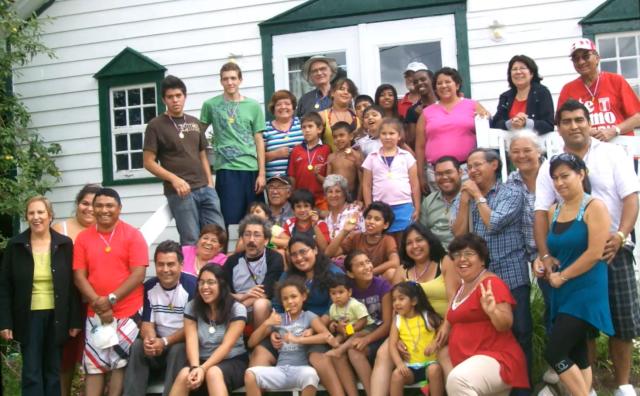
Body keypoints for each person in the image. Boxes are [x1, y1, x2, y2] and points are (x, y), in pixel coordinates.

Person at [534, 100, 640, 396]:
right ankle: (587, 388)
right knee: (582, 330)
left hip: (612, 250)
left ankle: (622, 385)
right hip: (570, 256)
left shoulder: (612, 154)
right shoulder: (550, 166)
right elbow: (541, 212)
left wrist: (620, 234)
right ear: (559, 128)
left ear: (589, 122)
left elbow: (631, 198)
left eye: (579, 119)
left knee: (623, 323)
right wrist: (544, 254)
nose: (574, 125)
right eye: (566, 121)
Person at [451, 148, 532, 389]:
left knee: (520, 333)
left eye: (478, 165)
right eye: (469, 167)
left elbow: (494, 223)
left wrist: (477, 197)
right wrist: (465, 201)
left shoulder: (511, 192)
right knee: (492, 335)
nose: (472, 171)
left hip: (510, 273)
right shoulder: (464, 196)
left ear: (494, 164)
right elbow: (458, 235)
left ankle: (523, 390)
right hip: (479, 279)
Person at [533, 154, 613, 396]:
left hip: (585, 292)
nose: (559, 183)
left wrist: (563, 276)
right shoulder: (553, 210)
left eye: (565, 176)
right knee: (578, 354)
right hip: (561, 291)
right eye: (555, 178)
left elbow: (594, 253)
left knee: (555, 352)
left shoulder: (594, 207)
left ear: (581, 174)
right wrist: (543, 261)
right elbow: (553, 250)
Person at [0, 196, 81, 396]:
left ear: (50, 216)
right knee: (32, 372)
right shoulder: (16, 245)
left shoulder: (64, 244)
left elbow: (73, 286)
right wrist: (5, 322)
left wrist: (75, 320)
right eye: (31, 213)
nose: (36, 217)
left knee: (54, 371)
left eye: (40, 212)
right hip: (27, 317)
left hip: (58, 316)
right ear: (27, 217)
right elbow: (4, 287)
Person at [72, 188, 148, 396]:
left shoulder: (133, 235)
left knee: (120, 364)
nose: (104, 210)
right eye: (99, 205)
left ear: (119, 209)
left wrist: (110, 300)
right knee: (94, 365)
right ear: (93, 209)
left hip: (128, 312)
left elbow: (138, 274)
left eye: (109, 206)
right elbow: (79, 276)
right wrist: (98, 302)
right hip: (95, 312)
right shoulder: (83, 238)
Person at [370, 223, 458, 396]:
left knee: (444, 354)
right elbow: (396, 307)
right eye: (409, 243)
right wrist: (397, 337)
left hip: (443, 324)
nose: (415, 246)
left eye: (419, 240)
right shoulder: (403, 270)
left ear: (429, 241)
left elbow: (454, 299)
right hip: (408, 327)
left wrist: (445, 326)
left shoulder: (444, 262)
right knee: (383, 353)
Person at [253, 235, 346, 396]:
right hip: (287, 330)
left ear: (315, 250)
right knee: (259, 354)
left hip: (316, 329)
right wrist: (276, 330)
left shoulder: (333, 273)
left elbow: (335, 307)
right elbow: (277, 304)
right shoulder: (288, 275)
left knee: (318, 358)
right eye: (294, 254)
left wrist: (313, 327)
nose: (299, 258)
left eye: (303, 252)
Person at [144, 75, 224, 245]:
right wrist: (174, 179)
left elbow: (202, 153)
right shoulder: (155, 125)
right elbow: (148, 162)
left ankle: (214, 272)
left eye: (178, 96)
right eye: (170, 97)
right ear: (164, 99)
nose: (175, 100)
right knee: (191, 239)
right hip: (181, 193)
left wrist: (210, 183)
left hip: (205, 189)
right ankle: (192, 272)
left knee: (217, 236)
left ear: (185, 96)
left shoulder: (194, 122)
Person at [445, 233, 529, 395]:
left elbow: (505, 323)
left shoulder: (491, 283)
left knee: (458, 381)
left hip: (497, 359)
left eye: (469, 254)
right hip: (472, 362)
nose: (462, 259)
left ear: (482, 260)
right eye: (457, 255)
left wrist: (493, 312)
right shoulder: (462, 288)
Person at [123, 240, 197, 396]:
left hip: (181, 348)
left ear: (181, 265)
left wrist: (164, 342)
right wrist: (151, 341)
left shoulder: (192, 286)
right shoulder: (150, 287)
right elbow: (147, 323)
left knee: (178, 349)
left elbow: (192, 328)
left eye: (171, 264)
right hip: (159, 348)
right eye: (160, 264)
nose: (165, 270)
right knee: (137, 346)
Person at [200, 62, 266, 226]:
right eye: (225, 79)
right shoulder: (211, 105)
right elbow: (197, 135)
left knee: (256, 221)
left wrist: (262, 174)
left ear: (240, 80)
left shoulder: (253, 106)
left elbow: (259, 140)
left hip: (251, 169)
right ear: (221, 81)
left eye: (233, 78)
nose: (230, 82)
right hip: (227, 170)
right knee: (228, 220)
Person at [52, 183, 101, 396]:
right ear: (77, 204)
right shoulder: (59, 230)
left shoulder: (104, 231)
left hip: (95, 304)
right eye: (84, 203)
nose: (89, 209)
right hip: (66, 304)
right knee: (66, 360)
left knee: (97, 359)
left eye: (94, 204)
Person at [169, 264, 248, 395]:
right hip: (200, 360)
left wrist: (203, 369)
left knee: (213, 373)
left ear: (222, 285)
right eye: (201, 282)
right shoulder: (192, 307)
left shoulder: (237, 309)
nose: (205, 287)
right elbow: (191, 341)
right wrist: (195, 367)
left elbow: (226, 346)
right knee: (184, 374)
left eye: (211, 282)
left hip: (232, 360)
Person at [245, 277, 331, 396]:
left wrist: (298, 339)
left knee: (311, 374)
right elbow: (251, 343)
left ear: (303, 297)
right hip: (280, 370)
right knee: (250, 374)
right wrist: (267, 323)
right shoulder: (278, 319)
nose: (290, 301)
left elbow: (326, 336)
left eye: (294, 296)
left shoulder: (309, 316)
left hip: (301, 370)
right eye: (285, 298)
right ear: (281, 302)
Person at [415, 67, 490, 194]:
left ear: (457, 84)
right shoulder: (427, 112)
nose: (443, 86)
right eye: (439, 83)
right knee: (441, 212)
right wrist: (421, 175)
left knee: (469, 210)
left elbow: (486, 129)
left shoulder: (472, 105)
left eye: (448, 82)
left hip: (467, 171)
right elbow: (420, 146)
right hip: (436, 174)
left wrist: (487, 115)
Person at [334, 250, 392, 396]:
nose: (367, 267)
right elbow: (339, 315)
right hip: (355, 332)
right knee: (338, 355)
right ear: (351, 273)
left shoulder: (382, 286)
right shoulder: (347, 290)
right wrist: (338, 327)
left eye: (367, 262)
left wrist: (366, 339)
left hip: (379, 335)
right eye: (360, 265)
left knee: (354, 351)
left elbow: (387, 324)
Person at [557, 38, 640, 141]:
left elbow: (637, 117)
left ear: (597, 58)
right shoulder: (568, 89)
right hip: (586, 148)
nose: (581, 62)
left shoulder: (616, 80)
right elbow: (561, 123)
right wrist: (586, 130)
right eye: (576, 58)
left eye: (586, 56)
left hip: (620, 146)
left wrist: (615, 130)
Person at [362, 118, 421, 236]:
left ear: (399, 136)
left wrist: (417, 207)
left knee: (404, 238)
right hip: (380, 206)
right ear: (379, 136)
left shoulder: (407, 156)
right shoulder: (372, 157)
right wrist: (369, 206)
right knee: (383, 238)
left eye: (392, 133)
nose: (387, 137)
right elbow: (366, 185)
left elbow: (415, 185)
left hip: (404, 205)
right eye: (384, 133)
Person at [223, 215, 284, 328]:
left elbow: (265, 292)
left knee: (260, 304)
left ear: (266, 240)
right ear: (242, 238)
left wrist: (239, 306)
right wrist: (239, 297)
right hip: (237, 304)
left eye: (257, 235)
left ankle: (259, 343)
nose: (251, 239)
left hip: (263, 309)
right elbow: (222, 290)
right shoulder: (232, 261)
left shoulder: (274, 258)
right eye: (247, 234)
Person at [388, 281, 443, 396]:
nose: (397, 303)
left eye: (401, 299)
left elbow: (444, 329)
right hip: (410, 367)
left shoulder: (427, 316)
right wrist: (399, 364)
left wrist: (435, 343)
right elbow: (392, 345)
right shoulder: (397, 320)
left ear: (414, 301)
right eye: (394, 300)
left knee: (434, 370)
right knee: (396, 375)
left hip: (430, 364)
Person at [325, 201, 400, 281]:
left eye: (377, 219)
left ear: (386, 225)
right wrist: (345, 231)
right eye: (368, 218)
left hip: (376, 280)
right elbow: (329, 253)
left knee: (391, 272)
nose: (371, 222)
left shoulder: (387, 240)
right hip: (356, 280)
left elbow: (395, 262)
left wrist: (370, 272)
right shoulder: (356, 236)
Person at [491, 55, 554, 134]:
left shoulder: (542, 93)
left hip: (535, 144)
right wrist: (510, 124)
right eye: (514, 69)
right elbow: (495, 123)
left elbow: (549, 125)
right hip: (510, 144)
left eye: (522, 68)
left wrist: (526, 123)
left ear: (531, 73)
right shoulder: (505, 97)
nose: (518, 72)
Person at [287, 112, 331, 210]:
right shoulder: (296, 150)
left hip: (320, 199)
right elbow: (292, 176)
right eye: (304, 127)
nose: (307, 130)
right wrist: (292, 196)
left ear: (319, 129)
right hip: (300, 199)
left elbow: (329, 176)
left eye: (310, 126)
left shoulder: (326, 149)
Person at [324, 273, 373, 358]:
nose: (337, 296)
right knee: (339, 336)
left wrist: (350, 330)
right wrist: (332, 324)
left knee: (355, 335)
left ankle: (339, 351)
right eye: (333, 293)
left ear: (349, 292)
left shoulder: (355, 305)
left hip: (367, 328)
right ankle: (335, 346)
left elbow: (363, 320)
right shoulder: (333, 308)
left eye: (341, 292)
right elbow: (334, 320)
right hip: (347, 329)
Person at [419, 156, 462, 248]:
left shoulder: (469, 198)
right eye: (439, 174)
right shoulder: (429, 201)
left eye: (449, 172)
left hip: (462, 254)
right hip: (436, 255)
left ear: (460, 173)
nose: (444, 177)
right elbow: (422, 233)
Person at [264, 90, 303, 178]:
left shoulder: (302, 124)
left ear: (293, 107)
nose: (283, 107)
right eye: (279, 104)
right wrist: (276, 154)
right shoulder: (265, 128)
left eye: (287, 104)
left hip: (300, 179)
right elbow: (258, 157)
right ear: (273, 108)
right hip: (275, 182)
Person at [327, 122, 364, 201]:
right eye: (335, 137)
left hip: (351, 195)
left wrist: (358, 200)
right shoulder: (331, 157)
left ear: (350, 136)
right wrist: (317, 175)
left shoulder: (357, 155)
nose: (338, 139)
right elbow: (328, 181)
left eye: (341, 135)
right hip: (334, 195)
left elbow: (362, 181)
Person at [320, 78, 360, 150]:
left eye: (349, 91)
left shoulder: (358, 115)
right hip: (331, 160)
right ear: (332, 93)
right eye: (342, 89)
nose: (346, 92)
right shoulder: (322, 116)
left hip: (357, 160)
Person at [323, 174, 364, 240]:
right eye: (330, 192)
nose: (333, 195)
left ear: (345, 194)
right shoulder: (327, 219)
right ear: (325, 196)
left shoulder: (355, 211)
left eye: (338, 191)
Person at [404, 67, 436, 150]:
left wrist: (425, 115)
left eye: (423, 79)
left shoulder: (445, 103)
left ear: (432, 80)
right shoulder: (413, 111)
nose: (419, 83)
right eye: (416, 82)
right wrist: (421, 119)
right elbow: (412, 141)